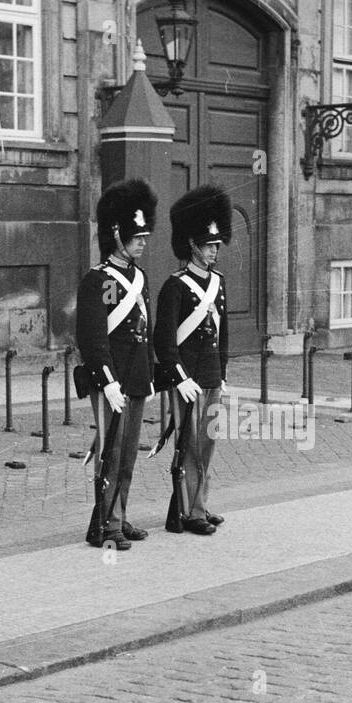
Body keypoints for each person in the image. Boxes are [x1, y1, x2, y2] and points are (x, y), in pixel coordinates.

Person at [75, 178, 156, 551]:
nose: (142, 241)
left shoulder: (140, 278)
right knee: (110, 452)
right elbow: (93, 338)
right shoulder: (98, 280)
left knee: (127, 454)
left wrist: (149, 378)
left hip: (135, 378)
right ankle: (105, 525)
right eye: (135, 235)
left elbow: (145, 333)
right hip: (111, 381)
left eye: (144, 235)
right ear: (117, 234)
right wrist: (107, 381)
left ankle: (116, 518)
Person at [155, 184, 231, 535]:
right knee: (189, 446)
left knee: (207, 443)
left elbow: (223, 334)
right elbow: (164, 339)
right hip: (186, 379)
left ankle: (199, 504)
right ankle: (189, 512)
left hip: (211, 375)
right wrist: (179, 376)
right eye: (208, 245)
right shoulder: (175, 286)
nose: (214, 251)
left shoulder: (219, 283)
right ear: (192, 246)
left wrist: (223, 373)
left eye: (216, 245)